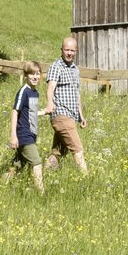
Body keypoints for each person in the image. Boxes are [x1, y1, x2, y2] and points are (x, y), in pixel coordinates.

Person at [2, 60, 48, 192]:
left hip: (31, 134)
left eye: (38, 74)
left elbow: (30, 113)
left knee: (17, 166)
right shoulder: (24, 91)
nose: (35, 77)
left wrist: (43, 112)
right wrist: (13, 136)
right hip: (23, 134)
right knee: (37, 162)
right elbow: (15, 112)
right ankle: (41, 193)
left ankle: (0, 186)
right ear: (26, 75)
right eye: (32, 74)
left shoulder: (35, 92)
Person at [45, 36, 88, 174]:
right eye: (66, 50)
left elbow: (77, 93)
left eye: (72, 50)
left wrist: (81, 115)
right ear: (61, 50)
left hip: (71, 115)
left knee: (57, 153)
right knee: (78, 149)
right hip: (61, 114)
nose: (69, 53)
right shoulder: (56, 66)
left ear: (76, 51)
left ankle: (43, 173)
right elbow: (50, 88)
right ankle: (86, 178)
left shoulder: (75, 69)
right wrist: (50, 103)